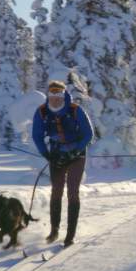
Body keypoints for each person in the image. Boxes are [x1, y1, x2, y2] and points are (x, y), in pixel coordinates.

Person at [32, 79, 94, 246]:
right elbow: (37, 136)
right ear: (48, 95)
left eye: (58, 94)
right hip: (57, 154)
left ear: (64, 94)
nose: (55, 98)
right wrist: (47, 154)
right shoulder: (42, 112)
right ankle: (54, 231)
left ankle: (70, 235)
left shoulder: (75, 110)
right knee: (56, 191)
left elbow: (89, 134)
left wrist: (75, 150)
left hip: (77, 154)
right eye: (52, 94)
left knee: (72, 192)